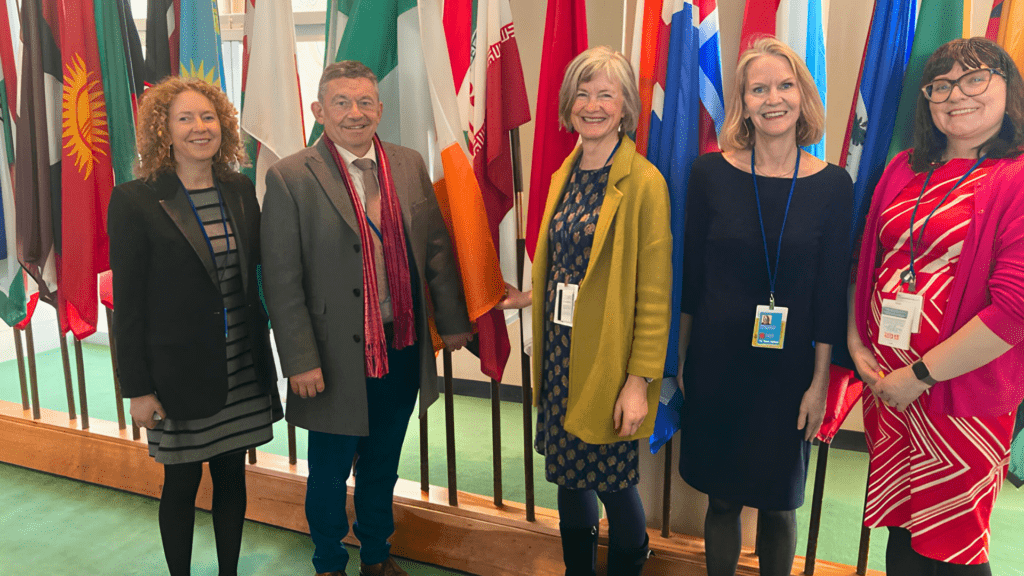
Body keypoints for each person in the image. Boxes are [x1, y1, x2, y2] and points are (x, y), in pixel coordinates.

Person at [260, 61, 472, 576]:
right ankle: (329, 560)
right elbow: (281, 280)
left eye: (364, 103)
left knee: (382, 463)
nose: (354, 114)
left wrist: (455, 321)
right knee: (330, 471)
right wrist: (300, 361)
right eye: (341, 103)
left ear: (379, 108)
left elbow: (437, 249)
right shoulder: (290, 176)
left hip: (400, 345)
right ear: (319, 111)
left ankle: (377, 555)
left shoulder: (408, 163)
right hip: (330, 357)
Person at [676, 37, 853, 576]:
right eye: (758, 88)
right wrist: (682, 366)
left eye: (784, 85)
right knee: (722, 500)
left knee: (780, 504)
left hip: (791, 371)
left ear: (802, 95)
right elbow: (691, 281)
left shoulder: (834, 185)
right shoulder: (708, 174)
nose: (772, 98)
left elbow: (829, 294)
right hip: (716, 364)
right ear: (743, 102)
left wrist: (821, 382)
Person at [848, 37, 1024, 575]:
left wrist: (920, 374)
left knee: (954, 543)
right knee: (901, 530)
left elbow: (1014, 310)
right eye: (941, 84)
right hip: (889, 389)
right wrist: (859, 347)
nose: (956, 94)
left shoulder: (1016, 177)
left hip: (959, 396)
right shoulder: (904, 166)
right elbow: (868, 260)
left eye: (975, 79)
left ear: (1008, 89)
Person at [498, 45, 672, 576]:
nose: (592, 104)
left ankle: (628, 563)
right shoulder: (563, 176)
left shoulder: (644, 183)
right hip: (559, 355)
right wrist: (529, 296)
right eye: (582, 92)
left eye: (606, 94)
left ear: (625, 109)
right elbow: (571, 266)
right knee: (569, 479)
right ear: (568, 102)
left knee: (613, 484)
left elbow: (654, 295)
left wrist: (639, 381)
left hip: (609, 361)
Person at [109, 77, 282, 576]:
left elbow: (254, 278)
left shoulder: (240, 188)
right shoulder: (135, 200)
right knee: (180, 487)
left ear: (223, 126)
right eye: (184, 118)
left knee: (232, 477)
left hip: (240, 368)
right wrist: (137, 390)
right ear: (162, 130)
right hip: (175, 376)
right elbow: (130, 306)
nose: (199, 127)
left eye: (208, 117)